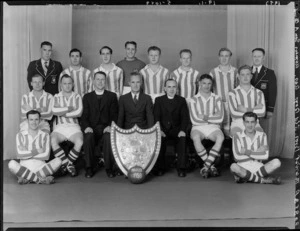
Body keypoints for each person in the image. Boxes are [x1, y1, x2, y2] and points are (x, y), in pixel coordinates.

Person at [81, 71, 119, 178]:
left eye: (102, 79)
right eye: (98, 79)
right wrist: (87, 127)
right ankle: (89, 167)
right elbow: (84, 116)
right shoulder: (87, 97)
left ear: (105, 82)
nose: (100, 82)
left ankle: (109, 168)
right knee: (88, 138)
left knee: (108, 137)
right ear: (93, 81)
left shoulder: (112, 96)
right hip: (92, 128)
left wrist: (111, 126)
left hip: (105, 127)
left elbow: (114, 115)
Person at [8, 110, 62, 184]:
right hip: (25, 167)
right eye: (31, 119)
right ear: (27, 120)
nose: (34, 122)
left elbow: (46, 156)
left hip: (41, 168)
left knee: (58, 160)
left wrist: (26, 151)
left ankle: (27, 178)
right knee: (11, 164)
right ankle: (40, 179)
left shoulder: (45, 135)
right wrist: (37, 151)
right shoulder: (20, 135)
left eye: (36, 119)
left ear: (40, 120)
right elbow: (19, 155)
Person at [187, 74, 224, 178]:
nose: (207, 86)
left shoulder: (217, 98)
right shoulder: (193, 99)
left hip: (213, 127)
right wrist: (212, 117)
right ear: (199, 84)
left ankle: (206, 166)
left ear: (212, 85)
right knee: (195, 137)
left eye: (209, 83)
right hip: (198, 127)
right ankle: (211, 166)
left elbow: (220, 118)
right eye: (204, 83)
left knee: (220, 137)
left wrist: (204, 117)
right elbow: (194, 119)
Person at [230, 112, 281, 184]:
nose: (250, 125)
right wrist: (258, 152)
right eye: (247, 122)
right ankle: (263, 180)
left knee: (277, 162)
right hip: (242, 167)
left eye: (252, 122)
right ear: (243, 123)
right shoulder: (237, 136)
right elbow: (237, 157)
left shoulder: (262, 135)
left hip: (258, 167)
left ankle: (247, 178)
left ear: (256, 122)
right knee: (233, 167)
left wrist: (246, 152)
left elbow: (265, 156)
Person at [153, 79, 190, 177]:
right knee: (159, 139)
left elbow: (185, 118)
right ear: (165, 88)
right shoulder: (159, 100)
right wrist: (159, 130)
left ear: (177, 88)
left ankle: (181, 168)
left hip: (177, 130)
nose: (171, 89)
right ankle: (160, 167)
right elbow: (156, 117)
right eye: (169, 87)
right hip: (163, 129)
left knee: (182, 139)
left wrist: (182, 130)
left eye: (174, 87)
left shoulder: (181, 100)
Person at [51, 74, 83, 177]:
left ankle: (66, 164)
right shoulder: (56, 96)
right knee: (52, 141)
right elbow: (54, 110)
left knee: (80, 141)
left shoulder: (77, 96)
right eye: (65, 83)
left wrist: (62, 112)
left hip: (73, 127)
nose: (67, 86)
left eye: (69, 83)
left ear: (73, 84)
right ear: (61, 85)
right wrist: (68, 108)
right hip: (60, 127)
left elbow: (79, 112)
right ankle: (69, 164)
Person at [228, 65, 266, 137]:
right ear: (238, 77)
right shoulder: (232, 93)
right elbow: (233, 113)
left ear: (251, 76)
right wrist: (254, 109)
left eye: (248, 74)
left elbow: (262, 113)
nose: (245, 77)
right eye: (242, 75)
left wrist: (245, 109)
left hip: (254, 123)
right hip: (237, 123)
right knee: (239, 136)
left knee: (260, 135)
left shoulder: (259, 93)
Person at [209, 48, 238, 137]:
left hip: (232, 105)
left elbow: (238, 89)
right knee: (217, 129)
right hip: (218, 105)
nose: (224, 58)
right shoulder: (213, 72)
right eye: (222, 56)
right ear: (219, 57)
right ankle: (219, 150)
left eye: (226, 56)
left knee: (231, 129)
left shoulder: (236, 71)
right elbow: (209, 90)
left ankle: (230, 150)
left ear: (230, 57)